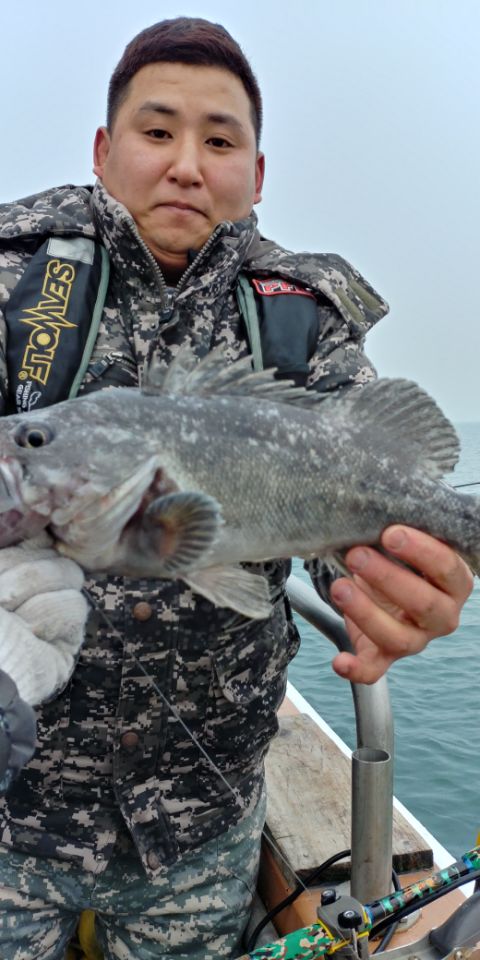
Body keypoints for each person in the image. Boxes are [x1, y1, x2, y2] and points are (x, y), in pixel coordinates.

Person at [0, 16, 473, 960]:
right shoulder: (14, 279)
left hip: (203, 819)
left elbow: (366, 489)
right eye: (156, 130)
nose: (186, 165)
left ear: (257, 174)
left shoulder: (302, 315)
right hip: (14, 811)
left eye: (220, 142)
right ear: (102, 149)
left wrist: (399, 594)